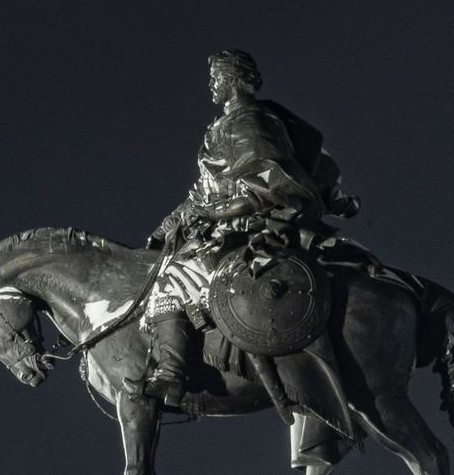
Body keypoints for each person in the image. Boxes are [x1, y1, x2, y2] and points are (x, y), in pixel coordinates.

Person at [140, 50, 364, 402]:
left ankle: (171, 375)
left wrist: (216, 215)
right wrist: (168, 224)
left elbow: (271, 185)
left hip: (251, 227)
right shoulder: (223, 126)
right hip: (222, 222)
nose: (212, 85)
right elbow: (206, 192)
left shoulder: (247, 121)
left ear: (233, 80)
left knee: (170, 279)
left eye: (217, 78)